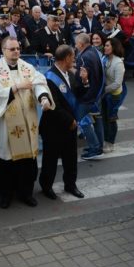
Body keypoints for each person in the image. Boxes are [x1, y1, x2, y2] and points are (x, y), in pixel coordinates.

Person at [0, 37, 53, 208]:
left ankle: (26, 193)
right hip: (6, 124)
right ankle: (6, 194)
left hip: (27, 121)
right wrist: (16, 87)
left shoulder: (27, 67)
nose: (16, 51)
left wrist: (43, 98)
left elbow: (39, 82)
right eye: (12, 49)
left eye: (18, 48)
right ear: (3, 51)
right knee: (7, 162)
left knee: (28, 162)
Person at [39, 45, 87, 200]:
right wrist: (71, 120)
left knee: (71, 158)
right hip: (53, 126)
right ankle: (46, 186)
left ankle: (70, 185)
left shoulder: (71, 74)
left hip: (70, 126)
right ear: (66, 58)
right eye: (73, 57)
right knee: (50, 160)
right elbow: (55, 107)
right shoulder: (49, 78)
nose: (74, 60)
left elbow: (78, 95)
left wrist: (85, 82)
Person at [74, 33, 105, 160]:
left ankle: (95, 148)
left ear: (81, 44)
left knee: (83, 121)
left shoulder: (84, 57)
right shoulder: (94, 51)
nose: (75, 46)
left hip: (88, 95)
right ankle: (98, 146)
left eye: (76, 43)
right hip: (96, 92)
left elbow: (83, 79)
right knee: (96, 119)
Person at [102, 38, 126, 153]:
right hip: (105, 94)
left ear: (113, 47)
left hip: (114, 95)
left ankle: (110, 143)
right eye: (105, 45)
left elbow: (117, 83)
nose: (105, 47)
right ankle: (105, 140)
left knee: (111, 119)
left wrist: (103, 90)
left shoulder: (118, 63)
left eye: (107, 46)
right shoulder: (105, 58)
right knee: (104, 118)